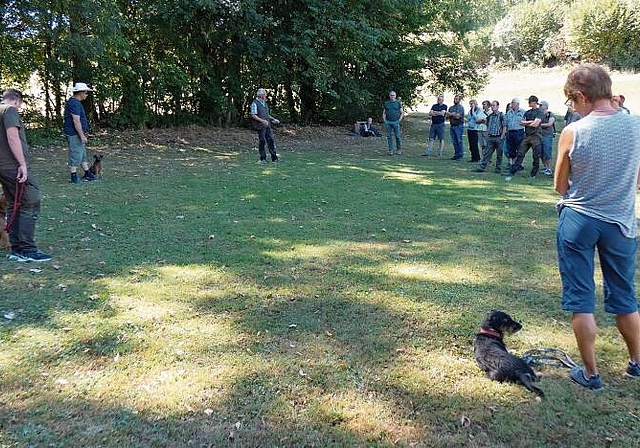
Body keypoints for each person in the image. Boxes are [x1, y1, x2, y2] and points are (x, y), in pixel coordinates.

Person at [555, 63, 640, 390]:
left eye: (571, 102)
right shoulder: (635, 126)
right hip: (620, 223)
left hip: (579, 220)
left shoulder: (574, 131)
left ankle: (590, 374)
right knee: (625, 297)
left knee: (581, 299)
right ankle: (636, 362)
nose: (572, 108)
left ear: (580, 96)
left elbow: (561, 186)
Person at [0, 89, 51, 262]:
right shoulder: (10, 110)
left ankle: (15, 249)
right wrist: (22, 164)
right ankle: (27, 249)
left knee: (13, 204)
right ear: (16, 101)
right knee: (30, 201)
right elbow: (13, 137)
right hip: (12, 166)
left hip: (3, 168)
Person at [63, 82, 97, 184]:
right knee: (76, 154)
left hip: (76, 133)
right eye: (86, 93)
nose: (86, 95)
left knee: (82, 154)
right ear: (80, 93)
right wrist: (81, 135)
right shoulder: (74, 103)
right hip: (74, 133)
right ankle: (73, 177)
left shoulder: (75, 103)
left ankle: (87, 173)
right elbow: (76, 120)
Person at [505, 95, 544, 180]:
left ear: (534, 102)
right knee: (520, 153)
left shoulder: (539, 112)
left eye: (530, 101)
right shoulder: (527, 112)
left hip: (536, 136)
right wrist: (531, 121)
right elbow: (521, 122)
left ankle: (533, 174)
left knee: (536, 156)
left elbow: (536, 124)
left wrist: (528, 122)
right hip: (527, 135)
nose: (528, 103)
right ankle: (512, 171)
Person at [474, 100, 506, 173]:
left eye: (494, 105)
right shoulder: (490, 116)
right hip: (491, 137)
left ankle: (498, 169)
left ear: (498, 106)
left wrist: (502, 137)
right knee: (487, 154)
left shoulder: (501, 115)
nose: (493, 107)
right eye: (492, 105)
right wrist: (487, 135)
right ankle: (481, 167)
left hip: (499, 137)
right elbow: (487, 125)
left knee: (499, 155)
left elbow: (504, 127)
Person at [250, 88, 280, 163]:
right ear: (261, 95)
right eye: (264, 94)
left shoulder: (264, 103)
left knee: (271, 141)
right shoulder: (255, 103)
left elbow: (267, 115)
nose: (266, 95)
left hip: (268, 126)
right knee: (262, 141)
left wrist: (273, 119)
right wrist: (262, 121)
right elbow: (253, 115)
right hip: (260, 126)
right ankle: (263, 159)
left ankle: (274, 158)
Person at [505, 98, 525, 168]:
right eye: (511, 102)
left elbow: (526, 122)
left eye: (513, 103)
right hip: (510, 132)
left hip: (519, 131)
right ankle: (512, 164)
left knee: (519, 148)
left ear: (517, 104)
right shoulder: (509, 112)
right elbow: (506, 123)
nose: (511, 104)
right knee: (511, 148)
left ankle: (520, 164)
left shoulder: (523, 112)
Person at [382, 91, 403, 155]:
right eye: (391, 95)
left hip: (396, 122)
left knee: (397, 136)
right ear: (389, 96)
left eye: (393, 95)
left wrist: (399, 120)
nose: (392, 96)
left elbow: (402, 112)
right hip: (388, 122)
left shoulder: (398, 103)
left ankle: (398, 149)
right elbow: (384, 113)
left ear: (395, 96)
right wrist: (385, 120)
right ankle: (390, 150)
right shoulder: (386, 103)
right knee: (389, 137)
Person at [539, 100, 555, 176]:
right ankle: (546, 167)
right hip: (540, 135)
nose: (539, 106)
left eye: (541, 105)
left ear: (546, 107)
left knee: (547, 152)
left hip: (547, 136)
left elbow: (549, 124)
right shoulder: (539, 114)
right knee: (541, 153)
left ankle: (549, 169)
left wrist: (539, 124)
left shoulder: (550, 115)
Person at [447, 94, 465, 160]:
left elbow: (458, 117)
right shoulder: (451, 107)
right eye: (454, 99)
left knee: (459, 140)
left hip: (458, 126)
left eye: (457, 99)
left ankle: (460, 155)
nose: (455, 100)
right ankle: (456, 154)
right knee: (454, 141)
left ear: (459, 100)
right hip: (452, 126)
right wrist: (452, 115)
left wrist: (451, 114)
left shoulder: (461, 108)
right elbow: (447, 116)